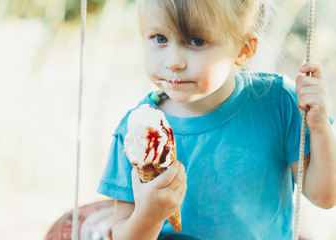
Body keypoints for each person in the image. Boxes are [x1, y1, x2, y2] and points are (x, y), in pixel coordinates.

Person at [97, 0, 336, 239]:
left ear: (243, 49)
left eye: (196, 41)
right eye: (160, 38)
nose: (173, 61)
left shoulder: (278, 103)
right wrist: (149, 216)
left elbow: (325, 196)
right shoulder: (138, 133)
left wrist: (320, 128)